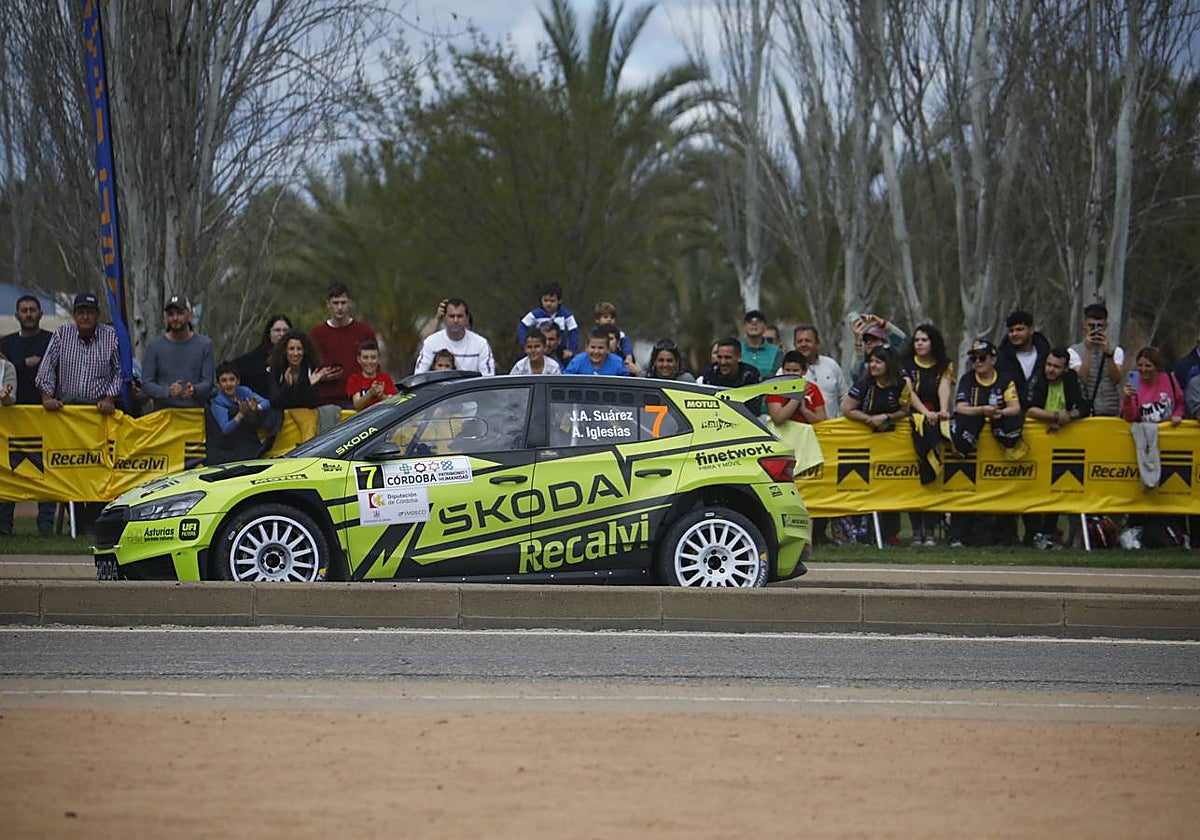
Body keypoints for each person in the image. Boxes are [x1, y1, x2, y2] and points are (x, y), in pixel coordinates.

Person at [841, 345, 911, 546]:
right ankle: (864, 533)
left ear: (888, 364)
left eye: (878, 362)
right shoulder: (864, 383)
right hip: (863, 444)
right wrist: (868, 419)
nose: (873, 365)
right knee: (863, 487)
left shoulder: (901, 385)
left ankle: (891, 533)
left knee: (890, 487)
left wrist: (887, 417)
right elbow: (847, 409)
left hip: (891, 445)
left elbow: (905, 409)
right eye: (871, 361)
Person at [0, 294, 56, 536]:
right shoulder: (6, 344)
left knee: (47, 472)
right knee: (8, 472)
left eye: (33, 309)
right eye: (24, 310)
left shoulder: (52, 340)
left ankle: (46, 527)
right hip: (11, 420)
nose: (29, 314)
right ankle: (4, 526)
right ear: (17, 315)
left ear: (40, 314)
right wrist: (23, 364)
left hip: (46, 418)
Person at [1024, 348, 1086, 549]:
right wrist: (1057, 417)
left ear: (1065, 369)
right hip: (1038, 441)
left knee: (1058, 487)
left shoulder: (1073, 380)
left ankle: (1048, 532)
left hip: (1064, 444)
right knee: (1034, 487)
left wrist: (1069, 417)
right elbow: (1028, 407)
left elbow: (1084, 407)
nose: (1050, 370)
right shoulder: (1038, 378)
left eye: (1056, 367)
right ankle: (1033, 533)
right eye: (1049, 365)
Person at [901, 324, 954, 544]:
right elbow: (909, 392)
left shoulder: (944, 365)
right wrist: (925, 413)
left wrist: (942, 410)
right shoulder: (906, 364)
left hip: (935, 422)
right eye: (917, 340)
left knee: (934, 473)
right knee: (914, 478)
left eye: (924, 340)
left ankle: (931, 529)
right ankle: (916, 530)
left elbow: (944, 387)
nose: (920, 344)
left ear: (933, 342)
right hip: (913, 421)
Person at [35, 292, 122, 416]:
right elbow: (47, 367)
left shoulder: (111, 336)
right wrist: (47, 398)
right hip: (66, 406)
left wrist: (109, 399)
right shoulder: (62, 333)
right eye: (81, 312)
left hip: (99, 407)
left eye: (90, 312)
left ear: (98, 314)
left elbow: (119, 372)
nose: (85, 317)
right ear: (74, 315)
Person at [1121, 346, 1185, 489]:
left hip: (1170, 436)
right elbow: (1130, 417)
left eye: (1148, 366)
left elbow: (1180, 401)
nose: (1143, 370)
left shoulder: (1169, 379)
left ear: (1156, 366)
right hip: (1146, 439)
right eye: (1140, 366)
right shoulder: (1135, 384)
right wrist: (1127, 399)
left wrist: (1177, 414)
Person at [140, 296, 215, 410]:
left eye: (180, 313)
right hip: (164, 413)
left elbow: (209, 382)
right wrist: (167, 391)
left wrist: (194, 390)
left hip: (194, 412)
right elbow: (147, 383)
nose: (175, 318)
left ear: (190, 315)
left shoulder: (205, 345)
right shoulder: (154, 346)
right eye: (170, 314)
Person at [309, 283, 377, 407]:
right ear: (328, 304)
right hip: (327, 401)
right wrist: (321, 376)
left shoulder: (364, 331)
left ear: (349, 303)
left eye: (343, 303)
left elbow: (375, 365)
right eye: (335, 303)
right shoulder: (317, 334)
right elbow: (309, 369)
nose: (340, 307)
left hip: (360, 399)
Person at [268, 329, 334, 440]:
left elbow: (309, 404)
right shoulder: (276, 371)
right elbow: (274, 402)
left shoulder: (311, 370)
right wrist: (287, 386)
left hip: (306, 419)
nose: (296, 353)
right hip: (282, 425)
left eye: (299, 349)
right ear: (285, 351)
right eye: (291, 349)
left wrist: (309, 384)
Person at [207, 362, 275, 464]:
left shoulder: (244, 391)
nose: (228, 384)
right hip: (228, 447)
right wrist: (240, 414)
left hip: (248, 441)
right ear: (219, 384)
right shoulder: (218, 402)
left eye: (232, 379)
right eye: (224, 380)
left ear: (238, 381)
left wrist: (256, 407)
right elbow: (225, 429)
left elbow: (266, 403)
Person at [1069, 302, 1125, 417]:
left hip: (1111, 410)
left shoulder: (1117, 351)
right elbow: (1082, 380)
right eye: (1091, 325)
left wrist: (1109, 355)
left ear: (1106, 326)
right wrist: (1088, 350)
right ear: (1084, 325)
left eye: (1099, 326)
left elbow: (1116, 380)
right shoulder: (1073, 351)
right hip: (1087, 411)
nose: (1095, 329)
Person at [414, 298, 495, 375]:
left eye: (460, 316)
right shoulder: (431, 343)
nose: (456, 320)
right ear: (444, 318)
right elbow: (419, 376)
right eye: (451, 316)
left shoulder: (481, 344)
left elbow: (488, 378)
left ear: (467, 318)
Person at [996, 310, 1052, 410]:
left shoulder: (1046, 354)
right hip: (1010, 413)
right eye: (1011, 331)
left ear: (1031, 330)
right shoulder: (1000, 357)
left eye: (1019, 329)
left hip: (1043, 412)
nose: (1014, 334)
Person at [792, 324, 848, 419]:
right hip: (802, 426)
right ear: (795, 345)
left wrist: (840, 417)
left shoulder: (831, 365)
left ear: (817, 343)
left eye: (808, 341)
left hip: (832, 425)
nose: (803, 344)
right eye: (799, 341)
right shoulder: (786, 371)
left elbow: (844, 396)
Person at [231, 313, 292, 398]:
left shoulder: (296, 358)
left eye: (285, 330)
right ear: (269, 333)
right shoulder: (254, 358)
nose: (282, 334)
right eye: (277, 330)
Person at [518, 281, 579, 362]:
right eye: (546, 300)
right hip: (539, 349)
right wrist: (525, 343)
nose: (548, 304)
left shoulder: (565, 314)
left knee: (567, 363)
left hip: (559, 350)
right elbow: (522, 326)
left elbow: (574, 331)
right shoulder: (536, 314)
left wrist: (571, 349)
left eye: (552, 301)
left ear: (559, 301)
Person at [766, 351, 826, 425]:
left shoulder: (812, 388)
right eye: (787, 370)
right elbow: (778, 420)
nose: (791, 374)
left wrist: (804, 410)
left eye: (795, 371)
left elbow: (822, 421)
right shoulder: (775, 389)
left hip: (807, 431)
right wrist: (797, 397)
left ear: (804, 371)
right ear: (782, 370)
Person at [347, 340, 397, 410]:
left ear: (379, 360)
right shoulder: (354, 379)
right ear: (358, 359)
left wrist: (381, 395)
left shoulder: (385, 378)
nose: (369, 362)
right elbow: (357, 405)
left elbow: (393, 402)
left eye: (373, 357)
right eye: (365, 358)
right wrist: (370, 393)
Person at [563, 327, 629, 375]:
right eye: (593, 347)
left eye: (601, 348)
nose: (596, 351)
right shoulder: (577, 361)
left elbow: (626, 383)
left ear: (608, 349)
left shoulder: (617, 363)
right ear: (586, 347)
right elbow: (565, 381)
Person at [741, 309, 783, 380]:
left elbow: (780, 376)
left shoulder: (776, 351)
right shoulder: (737, 349)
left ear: (765, 327)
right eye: (749, 321)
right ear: (744, 326)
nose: (754, 324)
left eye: (758, 321)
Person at [592, 301, 635, 369]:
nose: (609, 319)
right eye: (605, 317)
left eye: (612, 318)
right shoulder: (594, 333)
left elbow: (626, 343)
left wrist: (628, 355)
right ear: (597, 320)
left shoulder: (617, 332)